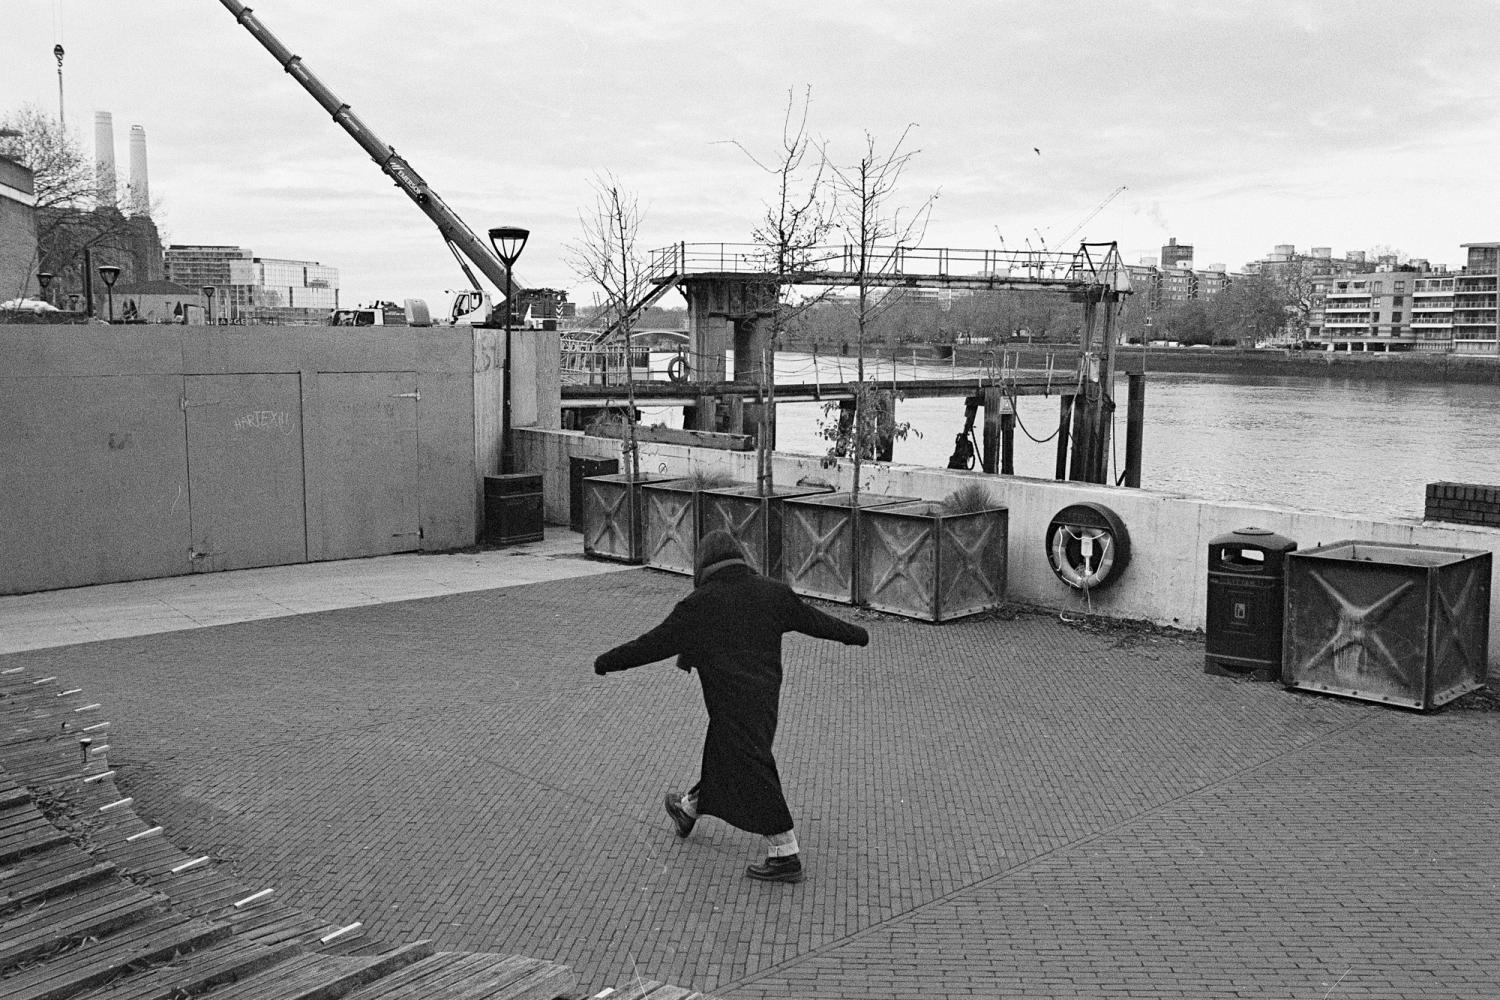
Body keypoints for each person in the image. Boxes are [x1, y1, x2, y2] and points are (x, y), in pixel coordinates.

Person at [593, 529, 869, 883]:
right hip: (766, 700)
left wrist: (608, 661)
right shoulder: (772, 593)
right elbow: (817, 622)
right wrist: (856, 635)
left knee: (752, 769)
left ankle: (785, 853)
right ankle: (687, 810)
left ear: (703, 565)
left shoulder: (700, 605)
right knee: (724, 758)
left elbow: (652, 644)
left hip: (728, 704)